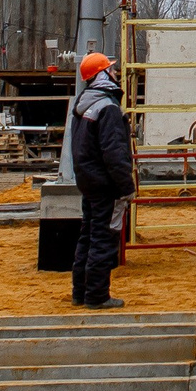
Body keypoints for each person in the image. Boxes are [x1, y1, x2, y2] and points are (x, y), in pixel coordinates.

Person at [66, 50, 135, 308]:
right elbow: (114, 153)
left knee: (88, 236)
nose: (115, 73)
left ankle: (80, 292)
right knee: (103, 239)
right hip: (106, 185)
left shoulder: (83, 105)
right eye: (111, 69)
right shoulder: (107, 108)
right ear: (102, 74)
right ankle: (96, 296)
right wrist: (127, 187)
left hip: (89, 182)